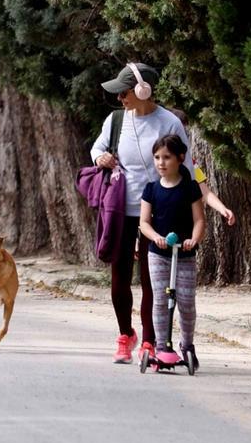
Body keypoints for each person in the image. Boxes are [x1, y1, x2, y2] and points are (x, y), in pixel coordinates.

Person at [88, 62, 232, 364]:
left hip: (159, 212)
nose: (120, 98)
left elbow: (188, 169)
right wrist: (101, 157)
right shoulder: (116, 120)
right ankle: (125, 334)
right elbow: (97, 148)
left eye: (125, 92)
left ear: (143, 91)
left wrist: (202, 204)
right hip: (122, 210)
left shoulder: (168, 123)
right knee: (119, 278)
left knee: (153, 281)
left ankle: (151, 341)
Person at [138, 133, 204, 367]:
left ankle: (187, 346)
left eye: (167, 157)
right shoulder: (151, 189)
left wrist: (193, 240)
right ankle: (161, 346)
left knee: (186, 301)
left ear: (180, 158)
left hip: (184, 255)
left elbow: (199, 221)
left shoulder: (190, 189)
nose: (161, 162)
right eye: (157, 157)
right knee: (160, 300)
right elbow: (144, 223)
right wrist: (156, 238)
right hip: (158, 254)